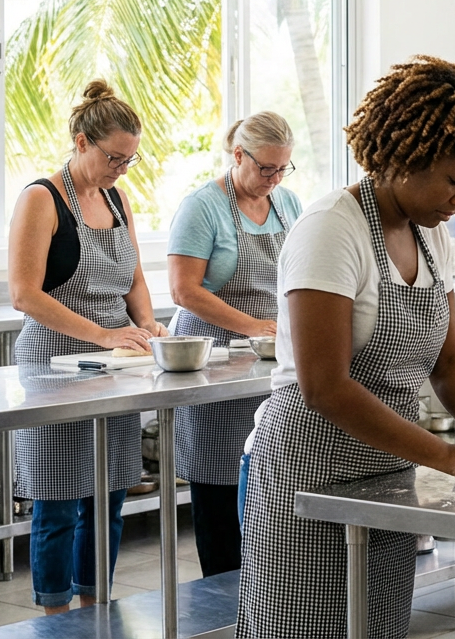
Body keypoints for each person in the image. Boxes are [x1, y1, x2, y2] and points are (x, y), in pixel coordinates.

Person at [236, 56, 455, 638]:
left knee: (377, 626)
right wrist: (449, 456)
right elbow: (325, 386)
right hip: (306, 473)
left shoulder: (431, 233)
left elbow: (449, 362)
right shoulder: (331, 229)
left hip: (385, 470)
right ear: (407, 156)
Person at [7, 80, 166, 613]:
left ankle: (96, 606)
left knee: (109, 496)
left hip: (115, 362)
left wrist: (146, 325)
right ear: (80, 142)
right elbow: (25, 294)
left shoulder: (118, 199)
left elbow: (134, 279)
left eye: (130, 159)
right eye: (113, 157)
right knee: (57, 500)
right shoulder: (41, 199)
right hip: (51, 362)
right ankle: (55, 616)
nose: (122, 169)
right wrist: (102, 334)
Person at [166, 111, 303, 577]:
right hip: (213, 357)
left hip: (272, 361)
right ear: (238, 155)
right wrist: (252, 326)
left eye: (283, 167)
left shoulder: (288, 203)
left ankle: (266, 599)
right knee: (220, 498)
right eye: (265, 167)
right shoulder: (202, 206)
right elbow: (185, 291)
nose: (274, 177)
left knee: (270, 491)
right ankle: (223, 603)